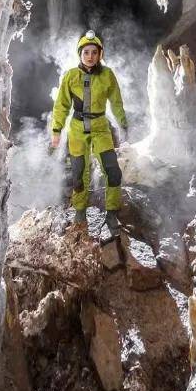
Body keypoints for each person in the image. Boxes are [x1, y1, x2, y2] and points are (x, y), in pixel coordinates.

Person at [50, 32, 128, 237]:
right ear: (80, 54)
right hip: (77, 129)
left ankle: (111, 213)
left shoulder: (107, 75)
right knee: (78, 174)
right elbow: (61, 106)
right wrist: (57, 130)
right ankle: (80, 211)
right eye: (86, 52)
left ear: (100, 54)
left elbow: (117, 101)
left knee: (113, 171)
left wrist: (123, 124)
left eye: (94, 52)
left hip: (101, 127)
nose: (90, 56)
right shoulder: (70, 76)